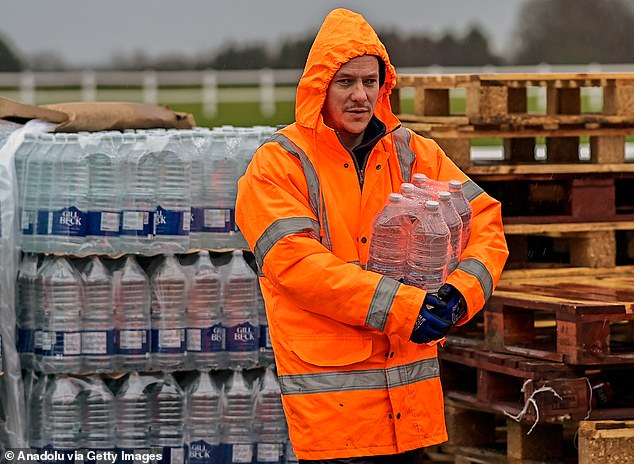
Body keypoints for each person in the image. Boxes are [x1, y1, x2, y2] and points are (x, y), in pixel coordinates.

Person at [236, 8, 508, 463]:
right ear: (319, 89)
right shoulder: (278, 164)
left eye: (370, 82)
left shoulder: (414, 153)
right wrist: (404, 308)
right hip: (333, 412)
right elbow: (294, 264)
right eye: (345, 82)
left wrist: (459, 295)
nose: (360, 95)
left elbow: (484, 223)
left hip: (410, 408)